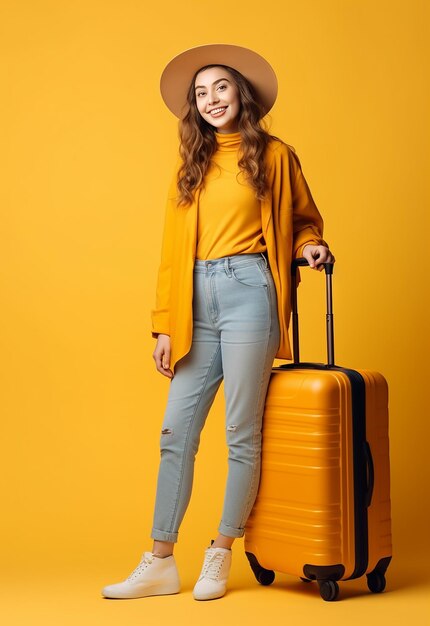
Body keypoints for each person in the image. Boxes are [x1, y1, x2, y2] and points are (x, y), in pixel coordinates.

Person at [102, 43, 335, 602]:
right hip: (194, 300)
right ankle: (159, 562)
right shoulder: (191, 165)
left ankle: (220, 551)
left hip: (251, 290)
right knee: (175, 435)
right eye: (200, 93)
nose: (210, 99)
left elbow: (303, 218)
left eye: (220, 88)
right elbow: (169, 251)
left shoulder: (276, 155)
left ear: (241, 94)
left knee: (240, 432)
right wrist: (164, 324)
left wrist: (311, 246)